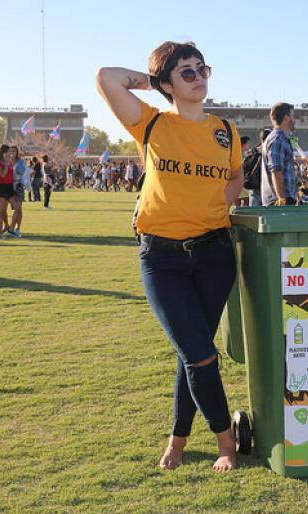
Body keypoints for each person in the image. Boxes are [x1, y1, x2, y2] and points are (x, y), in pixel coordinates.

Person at [96, 40, 244, 472]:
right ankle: (226, 443)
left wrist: (222, 204)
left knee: (193, 351)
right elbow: (106, 77)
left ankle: (177, 442)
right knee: (200, 354)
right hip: (162, 259)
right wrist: (157, 83)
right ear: (168, 83)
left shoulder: (225, 130)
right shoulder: (152, 123)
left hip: (214, 253)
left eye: (202, 69)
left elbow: (234, 176)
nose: (199, 78)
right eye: (187, 73)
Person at [261, 102, 296, 206]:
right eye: (293, 116)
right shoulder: (278, 139)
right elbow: (276, 171)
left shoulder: (280, 138)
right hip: (279, 201)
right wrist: (281, 198)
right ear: (286, 118)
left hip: (281, 198)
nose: (294, 120)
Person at [7, 146, 25, 237]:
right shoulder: (6, 162)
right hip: (8, 186)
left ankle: (16, 228)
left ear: (17, 152)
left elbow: (22, 172)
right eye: (11, 151)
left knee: (19, 209)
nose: (12, 153)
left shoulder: (21, 162)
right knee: (15, 208)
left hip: (18, 186)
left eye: (14, 151)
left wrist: (14, 164)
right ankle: (9, 228)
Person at [0, 144, 14, 238]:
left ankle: (9, 227)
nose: (11, 153)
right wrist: (7, 164)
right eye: (9, 151)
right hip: (1, 188)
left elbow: (11, 175)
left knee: (17, 207)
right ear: (4, 153)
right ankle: (0, 232)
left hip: (10, 187)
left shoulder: (9, 162)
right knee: (2, 210)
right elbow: (2, 175)